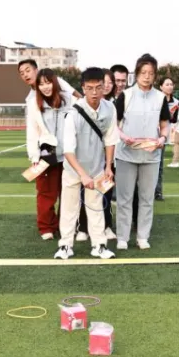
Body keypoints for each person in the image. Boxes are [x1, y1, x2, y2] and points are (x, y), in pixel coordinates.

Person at [54, 67, 117, 260]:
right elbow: (68, 151)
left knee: (96, 206)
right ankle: (65, 245)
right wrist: (82, 175)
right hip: (73, 169)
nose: (95, 92)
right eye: (90, 88)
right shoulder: (73, 113)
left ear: (104, 87)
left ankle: (99, 245)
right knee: (69, 207)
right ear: (83, 88)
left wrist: (108, 166)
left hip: (97, 167)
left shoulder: (110, 108)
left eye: (99, 87)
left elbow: (110, 138)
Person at [114, 53, 169, 250]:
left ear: (155, 76)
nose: (147, 76)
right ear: (136, 74)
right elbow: (114, 125)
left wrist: (162, 139)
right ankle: (122, 237)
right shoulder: (125, 96)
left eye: (151, 73)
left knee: (147, 198)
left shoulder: (161, 98)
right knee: (124, 198)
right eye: (143, 72)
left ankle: (143, 236)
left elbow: (165, 125)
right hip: (126, 154)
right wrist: (123, 136)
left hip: (151, 156)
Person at [25, 68, 71, 240]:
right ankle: (46, 227)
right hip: (46, 152)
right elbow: (32, 132)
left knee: (67, 194)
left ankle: (64, 225)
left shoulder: (68, 101)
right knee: (46, 193)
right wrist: (34, 157)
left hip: (67, 154)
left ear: (55, 82)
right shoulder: (34, 105)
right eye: (41, 84)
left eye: (48, 82)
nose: (45, 87)